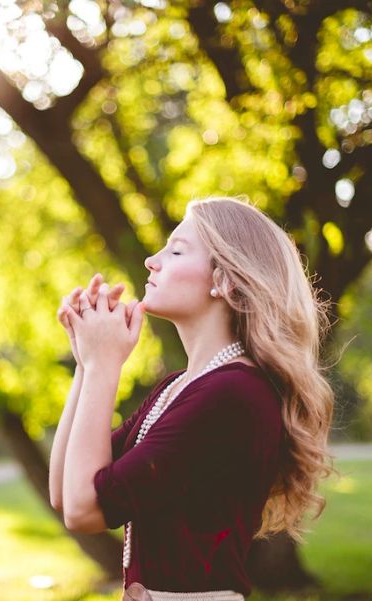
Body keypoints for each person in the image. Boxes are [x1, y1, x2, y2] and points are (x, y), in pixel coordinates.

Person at [49, 196, 337, 600]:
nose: (152, 259)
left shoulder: (232, 396)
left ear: (225, 280)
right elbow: (66, 493)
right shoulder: (180, 387)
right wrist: (86, 361)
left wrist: (104, 366)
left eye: (176, 249)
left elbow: (85, 511)